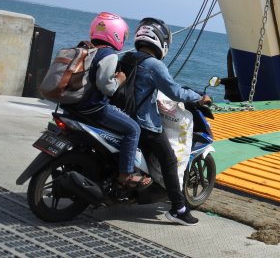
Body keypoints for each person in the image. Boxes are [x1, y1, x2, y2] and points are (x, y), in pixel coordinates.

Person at [131, 17, 211, 226]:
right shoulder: (154, 65)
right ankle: (179, 209)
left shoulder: (128, 59)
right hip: (144, 122)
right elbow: (174, 91)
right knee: (169, 161)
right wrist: (199, 97)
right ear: (161, 41)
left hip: (124, 117)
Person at [64, 12, 152, 189]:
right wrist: (120, 79)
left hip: (71, 106)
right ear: (116, 34)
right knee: (133, 129)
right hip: (93, 108)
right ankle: (125, 175)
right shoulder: (108, 54)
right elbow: (107, 88)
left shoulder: (84, 49)